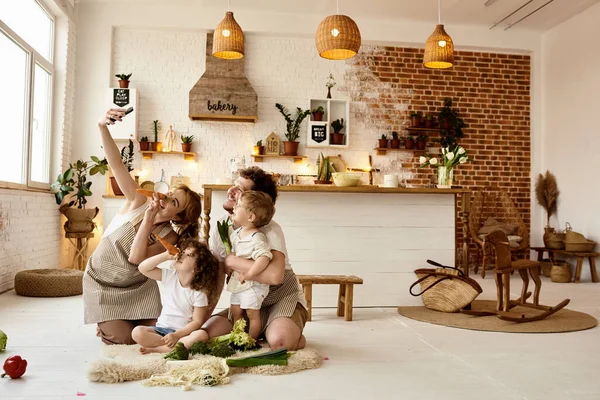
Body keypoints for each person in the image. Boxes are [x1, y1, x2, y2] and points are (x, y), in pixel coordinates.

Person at [83, 107, 203, 345]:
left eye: (174, 202)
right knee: (123, 338)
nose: (165, 198)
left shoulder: (169, 235)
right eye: (169, 193)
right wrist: (102, 126)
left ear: (179, 217)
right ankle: (106, 323)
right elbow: (116, 163)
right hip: (103, 283)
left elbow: (136, 259)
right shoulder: (139, 200)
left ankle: (112, 325)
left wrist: (149, 220)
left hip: (137, 288)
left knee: (159, 331)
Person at [203, 166, 308, 350]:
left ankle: (287, 331)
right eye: (234, 185)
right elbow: (217, 280)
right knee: (206, 334)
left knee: (280, 342)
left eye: (241, 191)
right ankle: (260, 331)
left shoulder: (270, 230)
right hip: (247, 300)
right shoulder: (222, 226)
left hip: (280, 297)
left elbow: (275, 276)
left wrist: (232, 261)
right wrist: (199, 320)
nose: (231, 191)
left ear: (255, 205)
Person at [132, 238, 220, 354]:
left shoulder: (199, 293)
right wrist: (165, 256)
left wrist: (176, 335)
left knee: (201, 335)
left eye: (189, 255)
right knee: (137, 332)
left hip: (182, 333)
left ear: (198, 268)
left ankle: (158, 349)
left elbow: (197, 322)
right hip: (161, 330)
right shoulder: (170, 276)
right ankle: (176, 347)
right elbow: (143, 268)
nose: (181, 255)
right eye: (183, 252)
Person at [227, 190, 275, 339]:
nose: (234, 206)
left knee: (252, 313)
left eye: (239, 205)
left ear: (251, 217)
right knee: (235, 310)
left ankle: (251, 340)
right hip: (239, 281)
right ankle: (238, 336)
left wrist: (250, 274)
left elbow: (264, 257)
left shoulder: (257, 237)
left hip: (253, 284)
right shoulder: (237, 233)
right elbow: (236, 254)